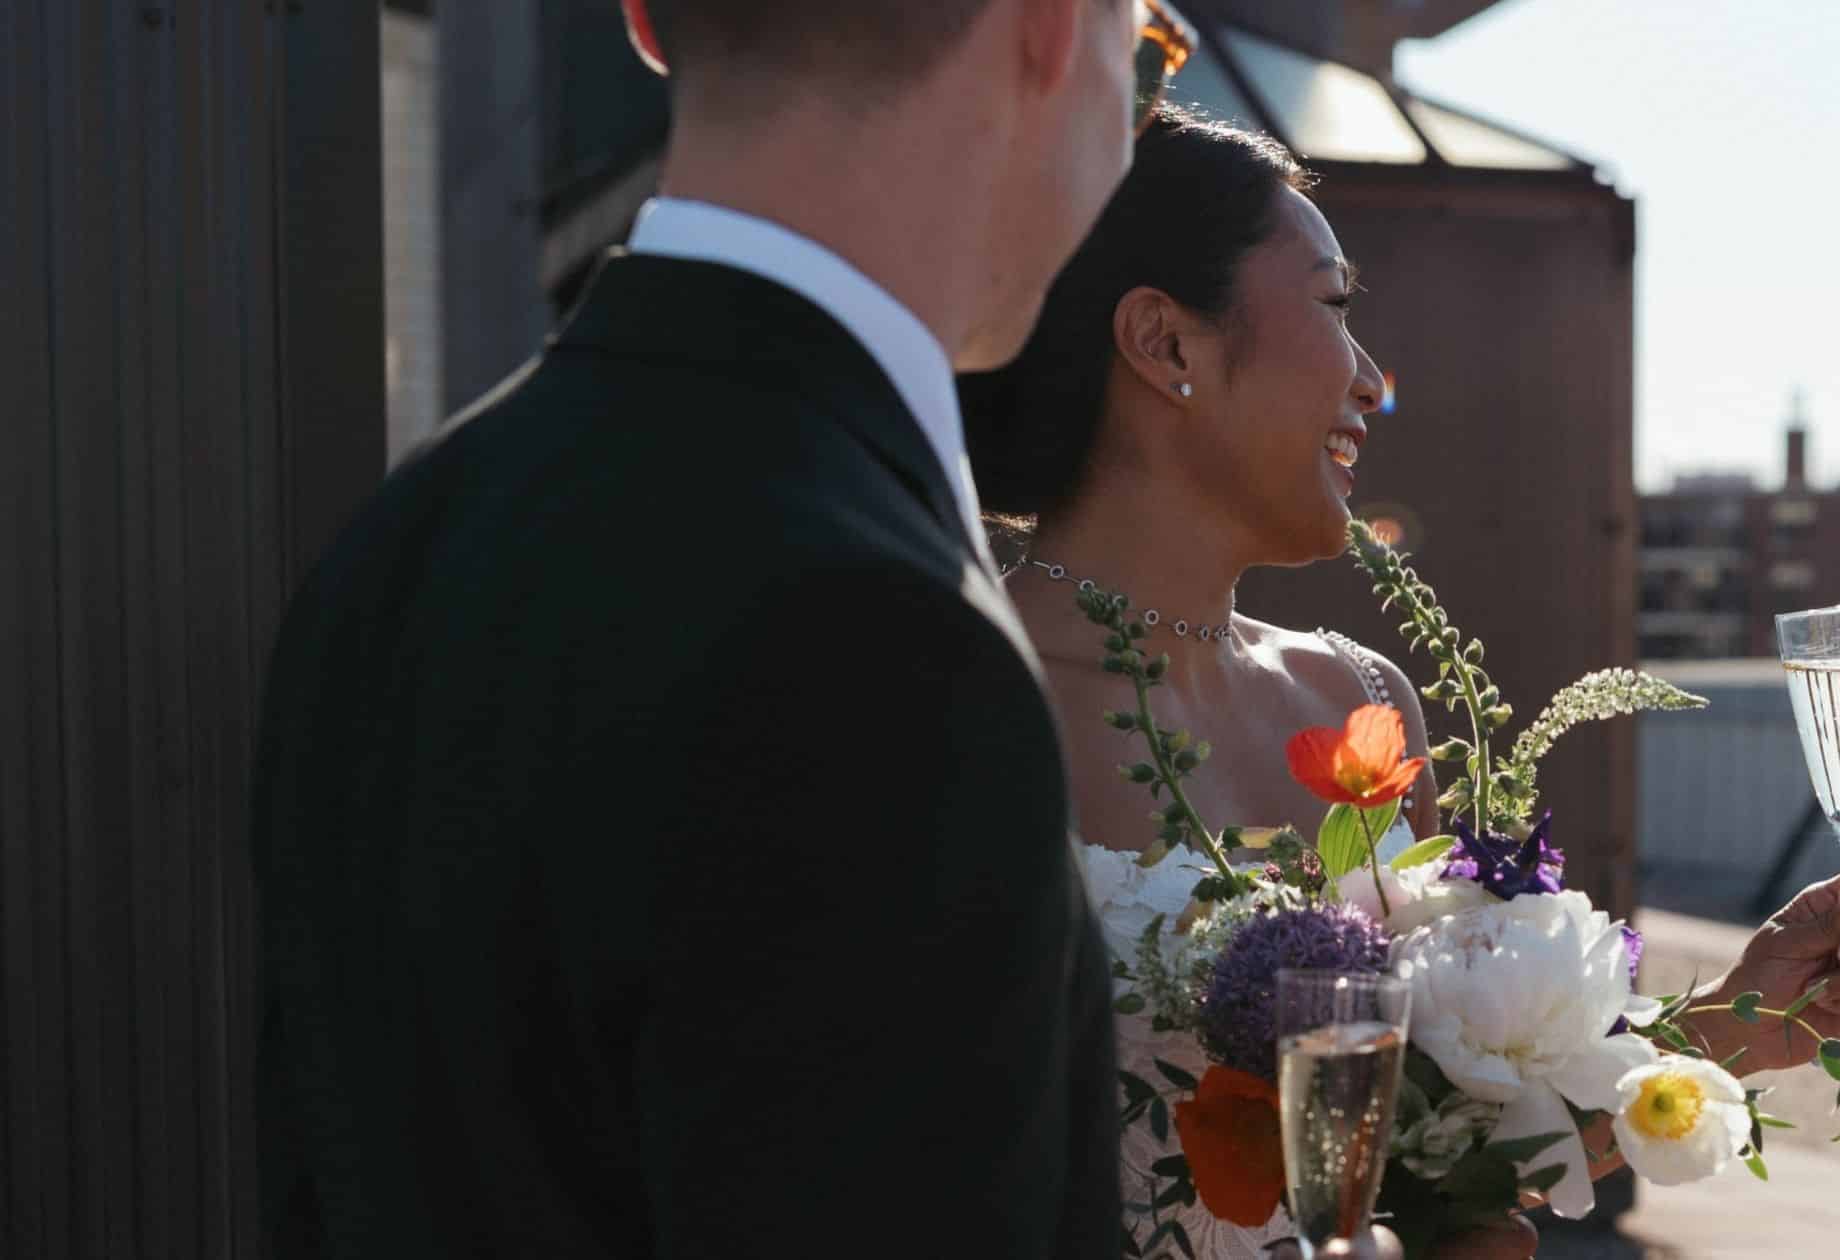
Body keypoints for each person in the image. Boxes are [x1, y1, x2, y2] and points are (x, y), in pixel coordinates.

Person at [250, 2, 1181, 1254]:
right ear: (1050, 28)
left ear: (644, 20)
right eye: (1152, 41)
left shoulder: (395, 547)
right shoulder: (883, 651)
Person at [961, 109, 1840, 1260]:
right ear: (1166, 345)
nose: (1369, 380)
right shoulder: (961, 703)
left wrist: (1742, 1020)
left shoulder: (1357, 705)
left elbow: (1455, 1151)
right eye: (1331, 303)